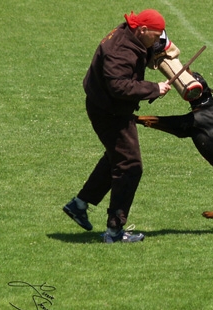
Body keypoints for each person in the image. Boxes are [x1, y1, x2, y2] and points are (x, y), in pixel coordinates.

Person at [63, 9, 171, 243]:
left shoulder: (131, 32)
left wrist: (161, 47)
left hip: (105, 105)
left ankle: (79, 204)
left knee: (117, 157)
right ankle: (114, 231)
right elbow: (120, 87)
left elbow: (157, 43)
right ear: (142, 29)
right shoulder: (120, 51)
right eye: (155, 36)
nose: (157, 41)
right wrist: (154, 89)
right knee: (130, 166)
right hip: (109, 112)